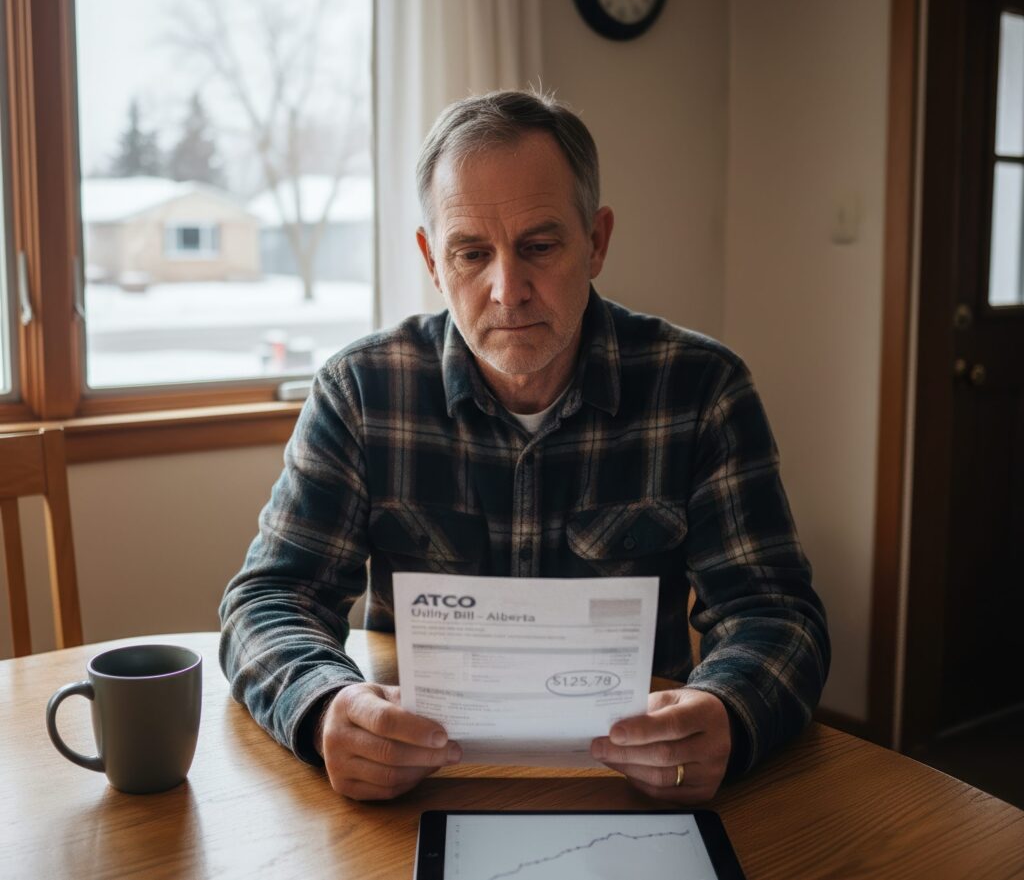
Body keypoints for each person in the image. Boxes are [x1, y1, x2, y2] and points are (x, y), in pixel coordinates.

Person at [219, 89, 830, 803]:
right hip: (415, 792)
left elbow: (778, 614)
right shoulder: (362, 392)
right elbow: (267, 599)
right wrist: (323, 706)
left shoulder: (699, 391)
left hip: (634, 789)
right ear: (431, 259)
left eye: (539, 246)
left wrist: (728, 709)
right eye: (471, 253)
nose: (508, 290)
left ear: (596, 241)